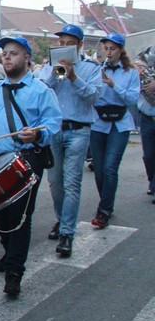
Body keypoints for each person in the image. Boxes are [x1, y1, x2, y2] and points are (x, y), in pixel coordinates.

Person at [0, 36, 62, 296]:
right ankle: (11, 252)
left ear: (27, 58)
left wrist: (38, 134)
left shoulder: (42, 90)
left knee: (20, 216)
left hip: (26, 158)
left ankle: (14, 272)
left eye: (14, 53)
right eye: (5, 53)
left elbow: (53, 123)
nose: (8, 57)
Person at [37, 24, 101, 256]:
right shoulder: (49, 66)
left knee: (72, 181)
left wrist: (74, 77)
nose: (64, 47)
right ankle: (61, 219)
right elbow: (41, 92)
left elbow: (94, 96)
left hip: (79, 130)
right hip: (54, 130)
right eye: (61, 43)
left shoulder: (91, 67)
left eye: (70, 44)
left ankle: (67, 232)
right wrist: (56, 75)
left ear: (80, 45)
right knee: (55, 182)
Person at [89, 33, 141, 228]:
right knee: (99, 169)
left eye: (113, 49)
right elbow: (91, 97)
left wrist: (113, 84)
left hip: (120, 123)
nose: (109, 52)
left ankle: (104, 209)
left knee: (110, 167)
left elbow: (132, 100)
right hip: (98, 122)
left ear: (120, 50)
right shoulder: (97, 70)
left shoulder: (131, 72)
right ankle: (106, 202)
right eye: (106, 49)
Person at [135, 54, 155, 201]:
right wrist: (137, 69)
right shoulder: (148, 57)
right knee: (148, 155)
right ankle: (152, 180)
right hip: (147, 117)